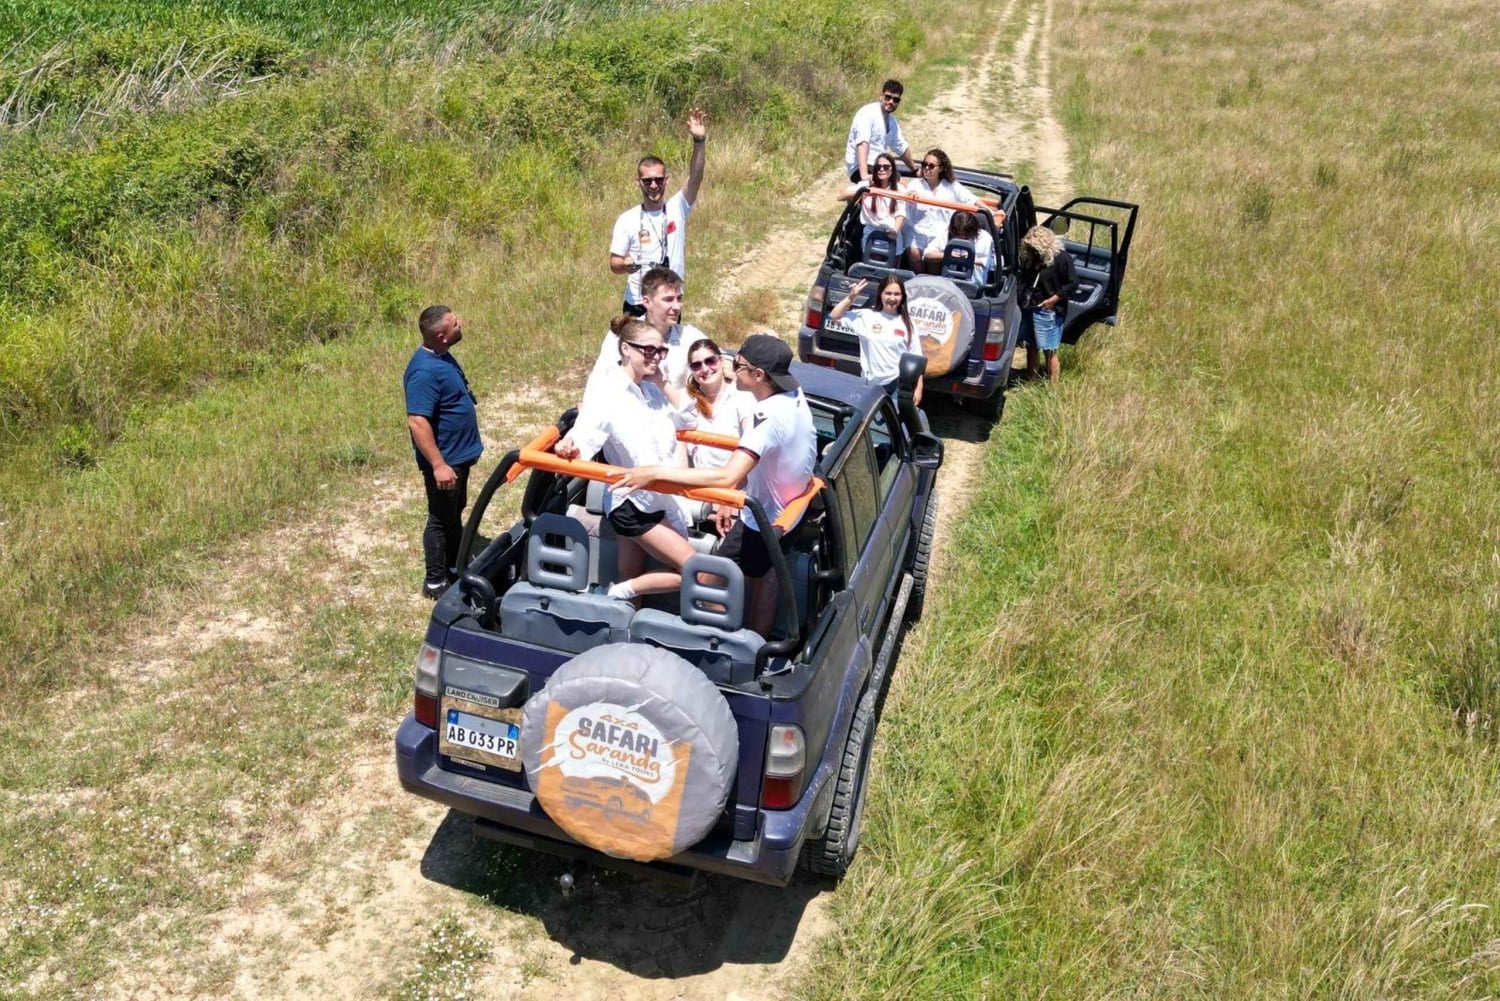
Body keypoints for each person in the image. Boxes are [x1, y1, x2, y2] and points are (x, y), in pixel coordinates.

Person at [612, 334, 815, 636]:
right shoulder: (795, 398)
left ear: (758, 376)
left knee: (703, 578)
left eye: (739, 365)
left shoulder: (765, 418)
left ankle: (727, 643)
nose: (732, 369)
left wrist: (655, 474)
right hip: (788, 515)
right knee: (766, 577)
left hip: (759, 522)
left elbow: (727, 477)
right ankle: (755, 649)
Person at [557, 317, 698, 601]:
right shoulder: (609, 391)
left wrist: (664, 383)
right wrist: (570, 445)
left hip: (658, 497)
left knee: (631, 572)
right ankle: (615, 594)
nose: (656, 357)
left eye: (661, 351)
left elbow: (689, 420)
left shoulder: (652, 388)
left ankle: (622, 621)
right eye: (649, 350)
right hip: (633, 503)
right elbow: (587, 433)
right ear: (625, 349)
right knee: (698, 572)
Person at [404, 305, 483, 600]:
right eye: (454, 323)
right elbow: (417, 420)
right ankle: (436, 581)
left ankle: (454, 564)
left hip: (459, 456)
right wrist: (438, 465)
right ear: (441, 336)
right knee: (440, 517)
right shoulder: (423, 372)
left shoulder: (441, 356)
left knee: (454, 511)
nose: (460, 323)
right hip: (446, 460)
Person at [609, 109, 708, 317]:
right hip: (638, 304)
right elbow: (614, 263)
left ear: (667, 180)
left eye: (658, 180)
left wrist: (699, 141)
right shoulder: (627, 219)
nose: (653, 186)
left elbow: (696, 177)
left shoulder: (677, 208)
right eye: (647, 181)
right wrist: (625, 264)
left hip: (669, 303)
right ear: (638, 183)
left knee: (669, 350)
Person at [584, 267, 703, 411]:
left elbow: (721, 363)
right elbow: (599, 379)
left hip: (680, 418)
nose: (677, 306)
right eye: (668, 300)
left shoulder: (690, 336)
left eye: (679, 298)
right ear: (647, 301)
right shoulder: (622, 335)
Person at [826, 275, 924, 404]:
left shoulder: (908, 324)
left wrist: (919, 388)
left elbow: (917, 359)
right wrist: (852, 296)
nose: (892, 298)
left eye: (897, 294)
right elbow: (834, 316)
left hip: (896, 383)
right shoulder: (866, 316)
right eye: (888, 293)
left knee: (892, 422)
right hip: (869, 383)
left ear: (902, 297)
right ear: (880, 295)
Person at [1019, 224, 1079, 385]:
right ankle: (1031, 381)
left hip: (1047, 310)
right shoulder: (1031, 258)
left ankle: (1053, 387)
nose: (1032, 251)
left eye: (1034, 248)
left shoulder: (1062, 258)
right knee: (1031, 346)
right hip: (1030, 307)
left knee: (1050, 350)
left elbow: (1073, 283)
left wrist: (1052, 300)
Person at [681, 337, 756, 467]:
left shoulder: (743, 398)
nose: (704, 369)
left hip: (731, 484)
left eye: (710, 361)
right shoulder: (688, 402)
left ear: (721, 361)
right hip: (696, 483)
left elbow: (753, 445)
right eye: (696, 365)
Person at [906, 148, 978, 272]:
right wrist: (910, 196)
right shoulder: (915, 185)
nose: (927, 168)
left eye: (931, 166)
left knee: (935, 266)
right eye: (924, 165)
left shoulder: (951, 186)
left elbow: (970, 199)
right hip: (917, 234)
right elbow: (906, 197)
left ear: (941, 168)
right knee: (914, 255)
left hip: (940, 236)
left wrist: (991, 212)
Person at [837, 151, 910, 258]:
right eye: (878, 167)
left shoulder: (899, 189)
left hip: (892, 233)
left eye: (886, 167)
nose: (881, 170)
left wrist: (895, 230)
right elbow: (840, 196)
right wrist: (863, 192)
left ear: (892, 170)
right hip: (872, 234)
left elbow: (901, 213)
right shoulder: (866, 186)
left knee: (892, 270)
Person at [845, 80, 919, 184]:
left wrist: (915, 170)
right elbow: (862, 143)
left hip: (880, 166)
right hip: (861, 168)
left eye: (895, 99)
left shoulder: (892, 122)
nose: (891, 101)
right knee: (897, 186)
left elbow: (901, 148)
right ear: (881, 95)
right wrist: (864, 174)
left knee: (907, 187)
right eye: (888, 97)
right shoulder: (867, 114)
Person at [945, 209, 996, 285]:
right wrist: (946, 255)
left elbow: (982, 262)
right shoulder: (948, 233)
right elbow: (928, 253)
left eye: (965, 235)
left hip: (974, 284)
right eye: (958, 235)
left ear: (973, 229)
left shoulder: (984, 238)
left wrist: (953, 257)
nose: (962, 237)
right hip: (949, 283)